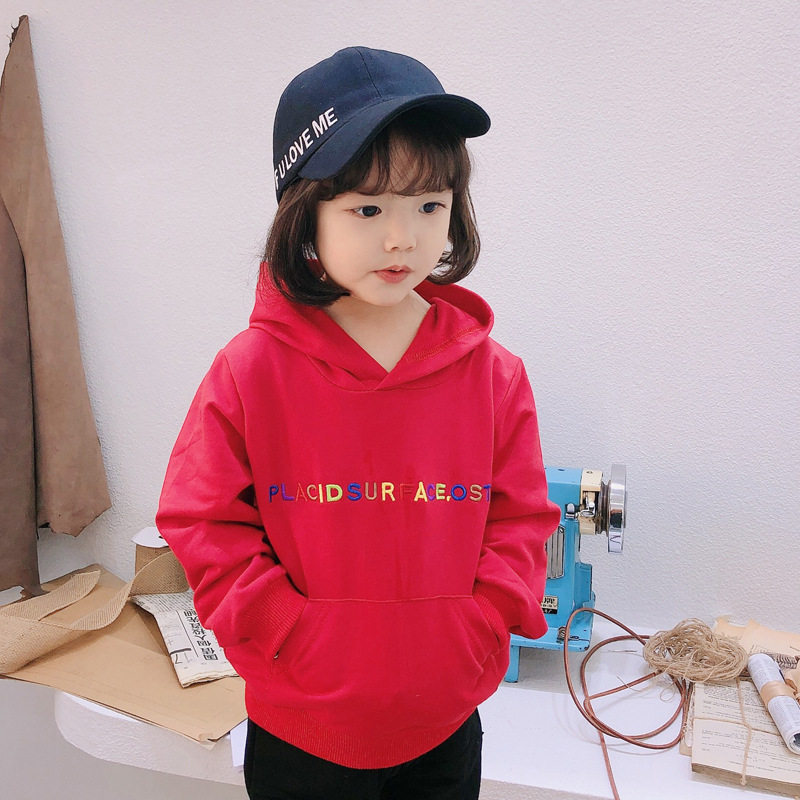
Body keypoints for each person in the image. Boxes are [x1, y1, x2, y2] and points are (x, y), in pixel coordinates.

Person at [156, 46, 561, 800]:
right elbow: (201, 519)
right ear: (305, 213)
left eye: (429, 205)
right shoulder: (250, 370)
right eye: (368, 209)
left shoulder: (494, 374)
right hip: (299, 729)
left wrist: (478, 626)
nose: (402, 237)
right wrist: (287, 630)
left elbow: (522, 519)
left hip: (444, 725)